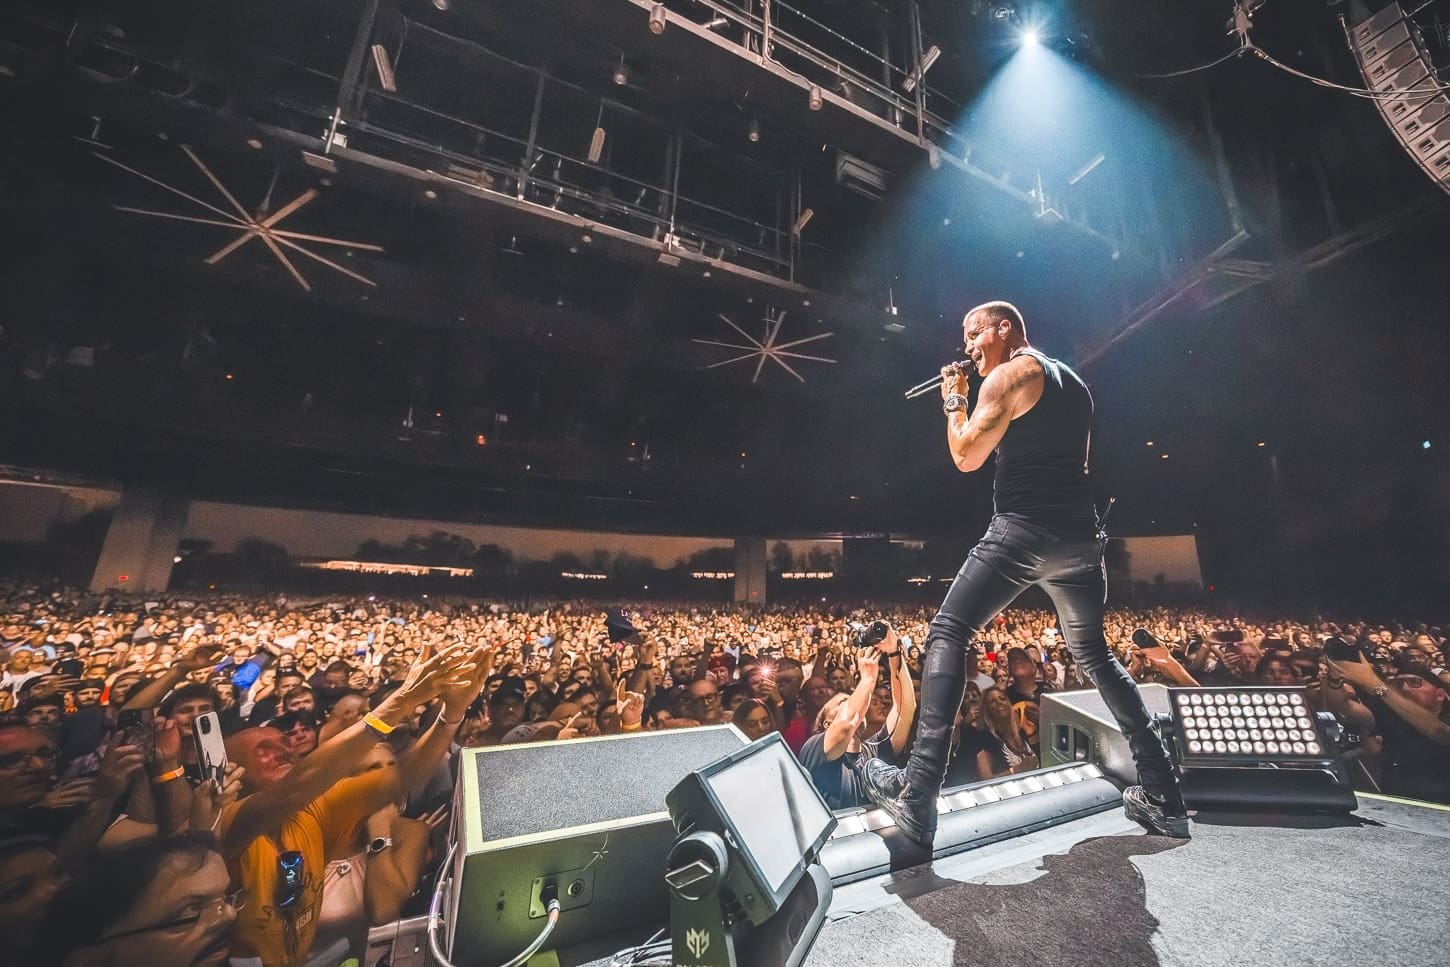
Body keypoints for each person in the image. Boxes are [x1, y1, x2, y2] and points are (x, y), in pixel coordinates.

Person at [860, 301, 1187, 846]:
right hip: (1081, 542)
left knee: (947, 631)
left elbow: (965, 456)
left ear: (1003, 328)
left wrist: (953, 401)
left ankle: (917, 794)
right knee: (1094, 655)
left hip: (1025, 530)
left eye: (973, 333)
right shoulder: (1075, 384)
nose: (966, 346)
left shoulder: (1012, 374)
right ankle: (1162, 791)